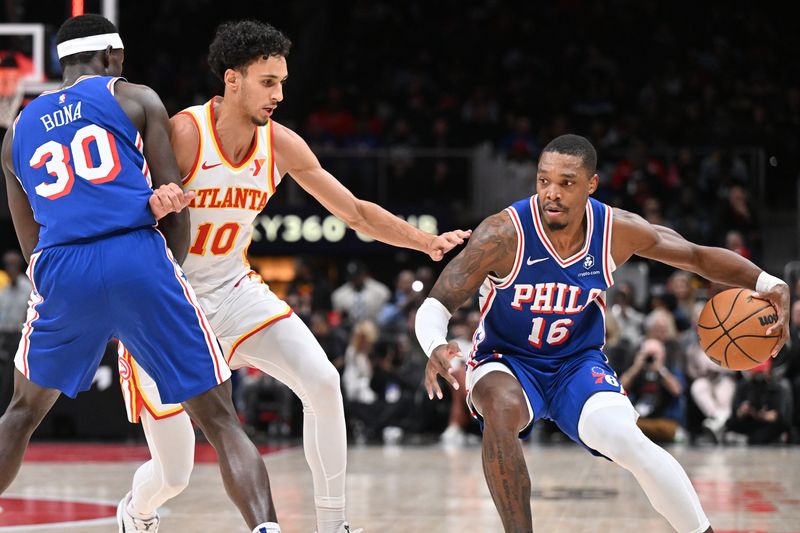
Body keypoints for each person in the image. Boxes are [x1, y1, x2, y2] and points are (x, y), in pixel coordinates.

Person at [118, 19, 470, 533]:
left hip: (233, 290)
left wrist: (424, 241)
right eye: (268, 81)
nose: (279, 94)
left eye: (283, 81)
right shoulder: (186, 133)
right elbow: (128, 212)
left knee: (324, 382)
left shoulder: (281, 144)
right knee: (175, 471)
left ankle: (334, 524)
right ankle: (137, 510)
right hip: (168, 302)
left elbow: (353, 211)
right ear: (232, 79)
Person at [414, 134, 790, 533]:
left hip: (577, 362)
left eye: (566, 183)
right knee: (501, 409)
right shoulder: (502, 235)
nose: (551, 194)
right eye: (543, 181)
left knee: (627, 440)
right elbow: (436, 303)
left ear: (591, 184)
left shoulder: (615, 231)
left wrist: (768, 283)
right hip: (506, 360)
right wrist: (436, 344)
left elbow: (695, 256)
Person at [0, 14, 280, 533]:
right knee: (219, 418)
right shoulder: (136, 98)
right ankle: (266, 529)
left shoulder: (15, 130)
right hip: (135, 256)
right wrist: (165, 269)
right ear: (113, 57)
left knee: (21, 414)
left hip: (62, 266)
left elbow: (28, 241)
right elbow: (174, 202)